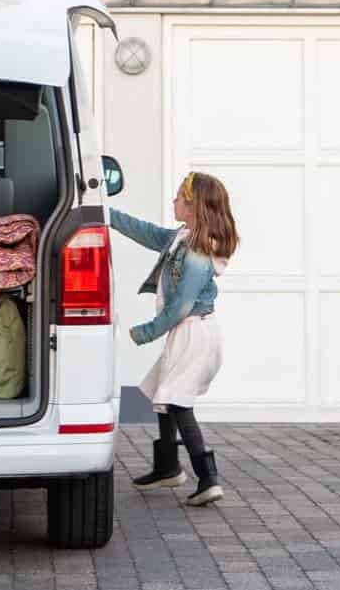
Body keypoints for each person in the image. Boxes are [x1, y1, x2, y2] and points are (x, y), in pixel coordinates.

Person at [112, 171, 239, 507]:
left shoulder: (197, 252)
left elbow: (182, 306)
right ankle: (168, 466)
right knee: (162, 392)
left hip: (194, 332)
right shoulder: (183, 238)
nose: (173, 202)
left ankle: (208, 478)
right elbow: (149, 233)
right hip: (191, 332)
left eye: (179, 199)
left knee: (179, 402)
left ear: (193, 206)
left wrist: (146, 332)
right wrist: (107, 215)